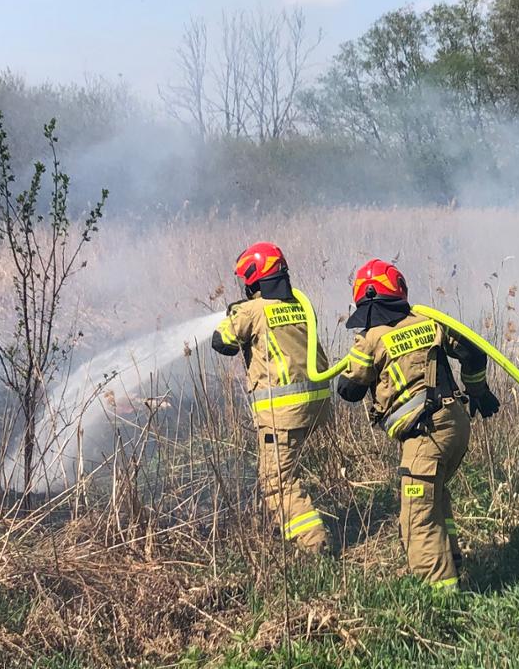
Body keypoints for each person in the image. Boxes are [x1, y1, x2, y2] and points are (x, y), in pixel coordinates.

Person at [333, 259, 500, 591]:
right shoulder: (428, 322)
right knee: (434, 497)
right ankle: (453, 561)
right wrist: (478, 391)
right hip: (454, 426)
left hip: (426, 436)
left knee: (417, 519)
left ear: (363, 299)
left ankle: (439, 598)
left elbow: (348, 391)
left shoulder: (371, 339)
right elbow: (474, 353)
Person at [210, 242, 333, 553]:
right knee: (287, 473)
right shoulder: (299, 304)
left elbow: (221, 342)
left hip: (283, 412)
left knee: (276, 481)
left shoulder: (252, 310)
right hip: (315, 405)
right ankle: (297, 530)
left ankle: (313, 544)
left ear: (254, 278)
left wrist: (235, 313)